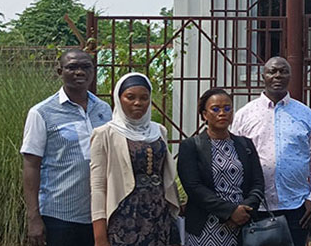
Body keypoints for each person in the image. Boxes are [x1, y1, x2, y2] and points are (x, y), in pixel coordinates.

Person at [229, 56, 311, 246]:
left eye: (283, 71)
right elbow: (233, 158)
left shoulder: (305, 114)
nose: (278, 75)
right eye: (272, 71)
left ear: (290, 76)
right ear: (263, 76)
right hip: (256, 206)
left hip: (298, 206)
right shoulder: (244, 115)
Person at [21, 49, 113, 246]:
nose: (79, 72)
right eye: (72, 67)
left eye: (86, 67)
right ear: (59, 71)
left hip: (99, 213)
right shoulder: (41, 112)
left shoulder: (104, 109)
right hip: (59, 216)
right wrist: (33, 217)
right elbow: (31, 165)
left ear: (93, 71)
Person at [90, 72, 180, 246]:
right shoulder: (105, 134)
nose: (138, 103)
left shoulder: (159, 131)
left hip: (159, 213)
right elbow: (98, 186)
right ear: (119, 98)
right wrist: (99, 235)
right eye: (130, 97)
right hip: (125, 215)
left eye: (144, 98)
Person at [178, 88, 266, 246]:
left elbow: (258, 182)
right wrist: (229, 211)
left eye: (227, 108)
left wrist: (245, 210)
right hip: (206, 226)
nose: (222, 113)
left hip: (243, 225)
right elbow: (193, 187)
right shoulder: (191, 146)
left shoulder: (245, 144)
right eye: (215, 109)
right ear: (205, 115)